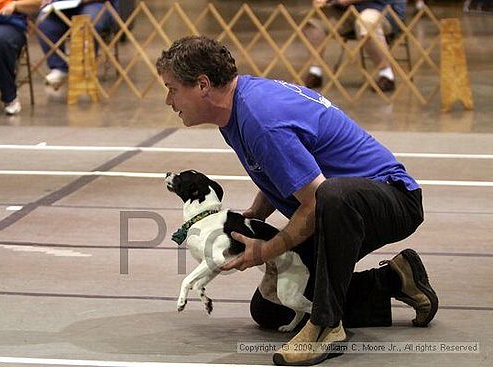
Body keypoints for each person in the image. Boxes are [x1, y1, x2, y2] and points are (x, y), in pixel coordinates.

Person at [156, 35, 438, 366]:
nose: (168, 100)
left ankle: (327, 326)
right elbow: (282, 170)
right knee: (271, 309)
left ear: (202, 84)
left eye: (172, 88)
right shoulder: (236, 111)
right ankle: (395, 278)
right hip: (339, 208)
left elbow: (316, 200)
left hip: (390, 198)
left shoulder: (260, 120)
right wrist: (252, 216)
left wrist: (267, 249)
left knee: (330, 195)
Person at [304, 0, 407, 92]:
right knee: (312, 22)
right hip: (346, 11)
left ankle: (387, 75)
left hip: (384, 11)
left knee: (366, 21)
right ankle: (315, 72)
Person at [37, 0, 119, 88]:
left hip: (96, 3)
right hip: (61, 4)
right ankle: (58, 68)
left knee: (88, 20)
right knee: (44, 21)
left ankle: (85, 66)